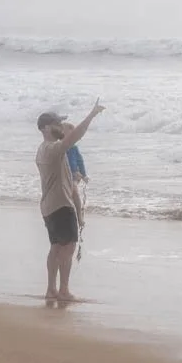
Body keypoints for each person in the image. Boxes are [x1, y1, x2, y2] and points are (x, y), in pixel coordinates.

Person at [36, 100, 104, 302]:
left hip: (49, 206)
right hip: (60, 205)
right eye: (57, 124)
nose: (60, 127)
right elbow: (75, 136)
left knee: (56, 247)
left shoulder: (42, 149)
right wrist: (91, 116)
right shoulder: (52, 149)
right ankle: (63, 290)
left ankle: (51, 289)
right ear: (47, 128)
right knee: (68, 248)